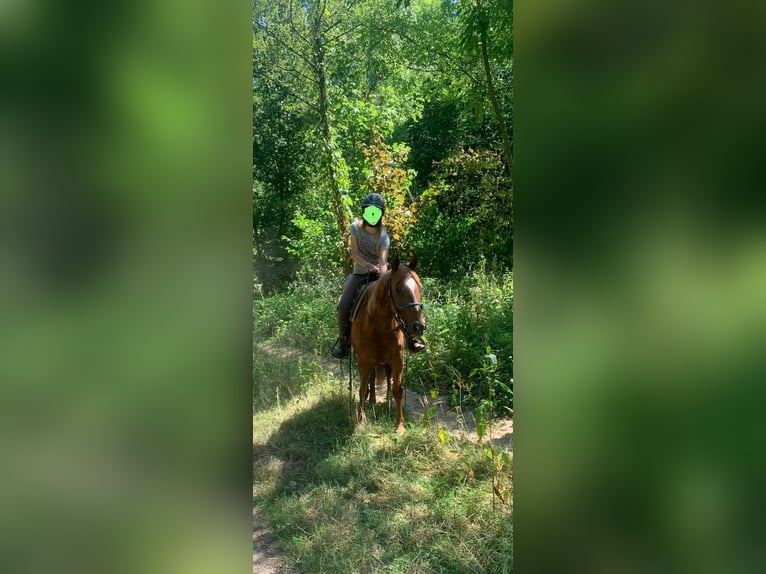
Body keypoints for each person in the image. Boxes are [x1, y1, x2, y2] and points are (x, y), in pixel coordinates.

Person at [331, 193, 390, 359]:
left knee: (396, 301)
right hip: (359, 273)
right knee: (343, 305)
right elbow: (354, 254)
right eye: (369, 211)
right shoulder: (355, 228)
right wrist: (367, 266)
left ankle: (410, 338)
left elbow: (384, 261)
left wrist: (383, 279)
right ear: (364, 212)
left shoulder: (384, 237)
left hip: (378, 275)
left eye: (376, 211)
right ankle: (344, 343)